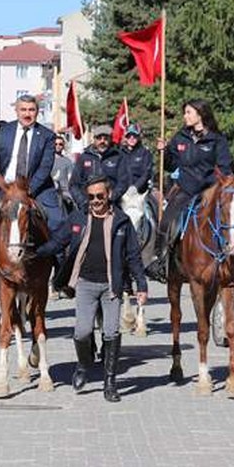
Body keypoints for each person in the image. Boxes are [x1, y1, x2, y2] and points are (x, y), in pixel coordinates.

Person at [57, 176, 147, 402]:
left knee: (111, 332)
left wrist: (141, 285)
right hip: (86, 284)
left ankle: (110, 382)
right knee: (82, 332)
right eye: (90, 197)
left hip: (111, 286)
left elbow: (133, 256)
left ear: (108, 195)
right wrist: (36, 251)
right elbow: (58, 241)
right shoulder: (79, 217)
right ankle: (82, 365)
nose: (95, 201)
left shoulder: (122, 221)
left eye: (99, 196)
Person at [0, 95, 70, 277]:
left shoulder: (47, 136)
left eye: (31, 110)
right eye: (23, 110)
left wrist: (26, 191)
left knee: (58, 221)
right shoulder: (4, 131)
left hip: (37, 186)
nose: (27, 114)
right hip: (5, 186)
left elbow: (44, 168)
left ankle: (61, 269)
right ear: (17, 110)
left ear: (37, 111)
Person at [144, 99, 233, 283]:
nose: (185, 116)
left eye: (188, 112)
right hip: (185, 189)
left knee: (231, 218)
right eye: (185, 112)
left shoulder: (217, 139)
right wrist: (165, 151)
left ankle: (233, 263)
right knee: (166, 221)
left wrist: (214, 186)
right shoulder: (180, 137)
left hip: (210, 190)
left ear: (200, 115)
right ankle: (160, 262)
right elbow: (171, 164)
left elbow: (225, 168)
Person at [69, 124, 130, 213]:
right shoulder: (84, 157)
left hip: (111, 206)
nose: (102, 141)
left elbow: (123, 182)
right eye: (99, 138)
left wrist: (112, 197)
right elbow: (73, 184)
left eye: (106, 138)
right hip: (87, 206)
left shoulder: (118, 157)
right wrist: (83, 202)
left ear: (110, 140)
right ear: (94, 139)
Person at [120, 123, 154, 195]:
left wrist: (136, 187)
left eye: (134, 136)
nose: (132, 138)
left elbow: (147, 173)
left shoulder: (145, 153)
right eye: (129, 136)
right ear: (125, 137)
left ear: (138, 137)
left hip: (140, 192)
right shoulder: (119, 153)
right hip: (122, 192)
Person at [52, 133, 74, 210]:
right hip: (50, 193)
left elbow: (70, 179)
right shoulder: (46, 160)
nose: (58, 146)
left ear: (63, 146)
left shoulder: (68, 162)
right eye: (55, 144)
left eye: (60, 144)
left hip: (64, 194)